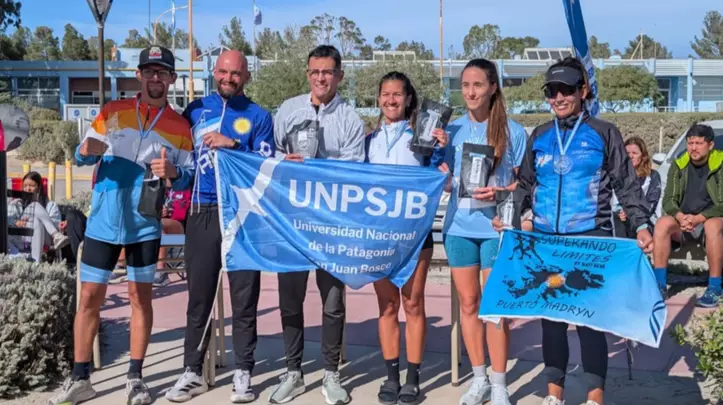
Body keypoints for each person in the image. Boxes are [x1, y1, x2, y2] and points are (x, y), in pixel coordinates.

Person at [49, 45, 195, 405]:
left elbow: (190, 175)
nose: (155, 78)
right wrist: (85, 151)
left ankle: (135, 378)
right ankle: (80, 378)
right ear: (138, 75)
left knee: (139, 298)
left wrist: (175, 172)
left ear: (172, 79)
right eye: (149, 71)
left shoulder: (180, 126)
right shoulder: (114, 112)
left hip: (144, 224)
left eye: (162, 72)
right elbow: (84, 152)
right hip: (103, 222)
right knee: (88, 298)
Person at [507, 57, 653, 405]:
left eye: (566, 90)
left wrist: (641, 224)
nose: (558, 97)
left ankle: (594, 398)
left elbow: (626, 184)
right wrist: (516, 221)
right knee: (552, 321)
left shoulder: (604, 132)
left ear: (583, 91)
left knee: (589, 321)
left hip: (590, 238)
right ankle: (553, 396)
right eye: (551, 91)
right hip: (547, 241)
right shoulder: (540, 135)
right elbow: (524, 185)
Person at [165, 49, 275, 404]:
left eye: (236, 73)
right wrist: (173, 176)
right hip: (203, 210)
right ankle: (192, 372)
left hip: (242, 214)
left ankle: (243, 372)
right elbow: (184, 166)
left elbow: (266, 166)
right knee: (199, 298)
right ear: (214, 71)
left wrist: (233, 144)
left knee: (244, 297)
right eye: (224, 72)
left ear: (247, 76)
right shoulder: (195, 110)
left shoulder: (258, 116)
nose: (229, 78)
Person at [270, 45, 365, 405]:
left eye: (327, 72)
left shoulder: (350, 119)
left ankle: (331, 373)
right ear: (307, 74)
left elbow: (354, 171)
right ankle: (293, 372)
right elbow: (270, 157)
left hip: (332, 225)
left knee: (333, 302)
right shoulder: (288, 110)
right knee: (290, 300)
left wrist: (317, 168)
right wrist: (286, 161)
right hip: (292, 224)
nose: (321, 78)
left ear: (339, 75)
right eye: (315, 72)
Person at [441, 59, 528, 405]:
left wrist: (501, 193)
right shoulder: (451, 130)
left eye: (477, 85)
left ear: (493, 87)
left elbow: (524, 184)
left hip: (496, 229)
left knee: (494, 307)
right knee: (468, 304)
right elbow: (448, 179)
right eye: (465, 85)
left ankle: (500, 383)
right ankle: (479, 380)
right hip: (458, 228)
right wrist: (442, 174)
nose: (470, 92)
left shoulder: (513, 131)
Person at [366, 72, 447, 405]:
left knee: (413, 304)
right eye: (385, 94)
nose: (391, 100)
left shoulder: (422, 138)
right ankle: (391, 376)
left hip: (414, 234)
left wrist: (440, 150)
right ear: (378, 98)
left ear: (408, 98)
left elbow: (436, 175)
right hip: (378, 235)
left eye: (397, 94)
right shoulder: (369, 140)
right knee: (387, 306)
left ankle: (413, 378)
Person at [653, 123, 723, 308]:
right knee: (662, 224)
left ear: (710, 145)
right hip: (684, 221)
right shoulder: (679, 164)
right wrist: (680, 216)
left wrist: (699, 218)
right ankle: (659, 285)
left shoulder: (720, 164)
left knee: (713, 226)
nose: (693, 148)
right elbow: (669, 200)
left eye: (699, 143)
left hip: (711, 220)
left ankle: (715, 287)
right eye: (690, 143)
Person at [8, 171, 69, 262]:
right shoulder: (16, 203)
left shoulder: (50, 205)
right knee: (34, 214)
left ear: (39, 188)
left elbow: (55, 224)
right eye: (25, 186)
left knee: (36, 217)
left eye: (32, 186)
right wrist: (17, 222)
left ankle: (36, 261)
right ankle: (56, 235)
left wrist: (36, 219)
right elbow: (8, 220)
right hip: (22, 236)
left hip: (45, 237)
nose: (28, 189)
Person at [611, 137, 662, 239]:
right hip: (620, 220)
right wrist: (620, 211)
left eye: (634, 153)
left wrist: (630, 213)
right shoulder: (615, 175)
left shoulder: (652, 176)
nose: (630, 156)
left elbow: (651, 204)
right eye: (627, 153)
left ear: (643, 156)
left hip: (645, 220)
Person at [152, 186, 190, 288]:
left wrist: (169, 211)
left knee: (159, 224)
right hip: (161, 232)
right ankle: (122, 265)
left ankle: (161, 272)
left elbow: (186, 210)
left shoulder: (186, 186)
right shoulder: (159, 188)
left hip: (182, 231)